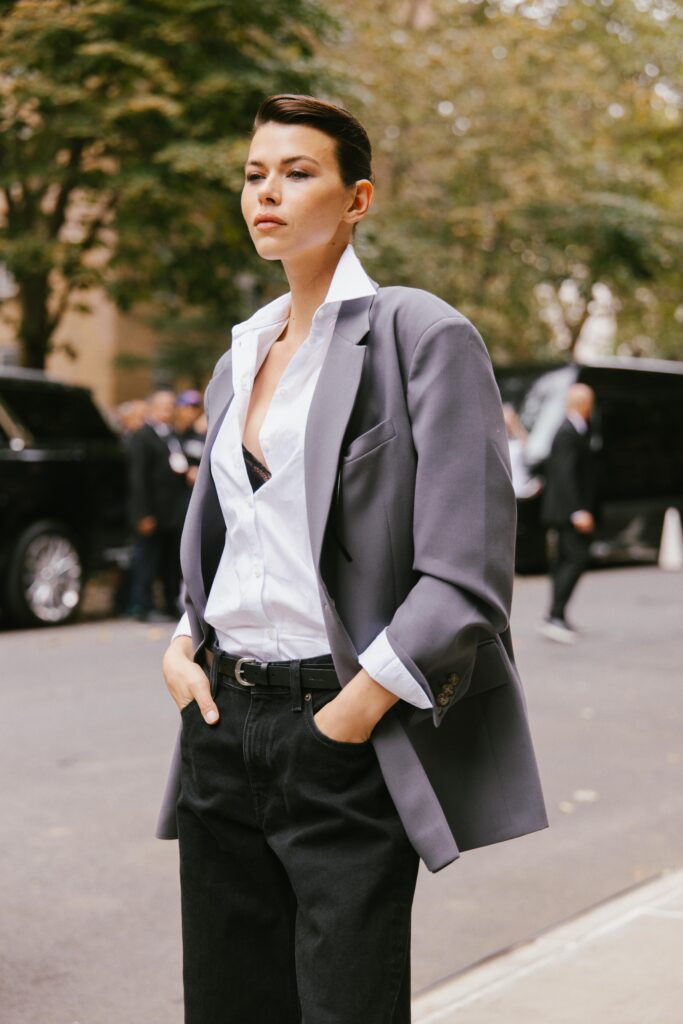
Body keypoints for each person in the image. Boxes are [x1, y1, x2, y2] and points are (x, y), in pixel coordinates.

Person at [157, 94, 547, 1024]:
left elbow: (465, 575)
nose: (267, 193)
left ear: (356, 199)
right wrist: (180, 643)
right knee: (226, 1006)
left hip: (337, 728)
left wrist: (354, 710)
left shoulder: (420, 335)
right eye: (254, 174)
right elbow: (236, 538)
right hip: (218, 722)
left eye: (297, 173)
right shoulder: (239, 354)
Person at [539, 383, 598, 643]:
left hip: (566, 511)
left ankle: (558, 615)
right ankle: (554, 616)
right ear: (586, 404)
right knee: (574, 560)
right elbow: (565, 475)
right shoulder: (567, 432)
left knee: (566, 561)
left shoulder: (574, 429)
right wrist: (578, 511)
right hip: (568, 512)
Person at [127, 390, 191, 621]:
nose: (168, 410)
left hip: (172, 511)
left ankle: (170, 602)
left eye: (171, 406)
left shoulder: (173, 436)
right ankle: (142, 605)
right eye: (163, 406)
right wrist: (143, 513)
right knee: (147, 558)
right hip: (152, 510)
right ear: (152, 408)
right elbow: (138, 478)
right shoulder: (142, 436)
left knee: (170, 560)